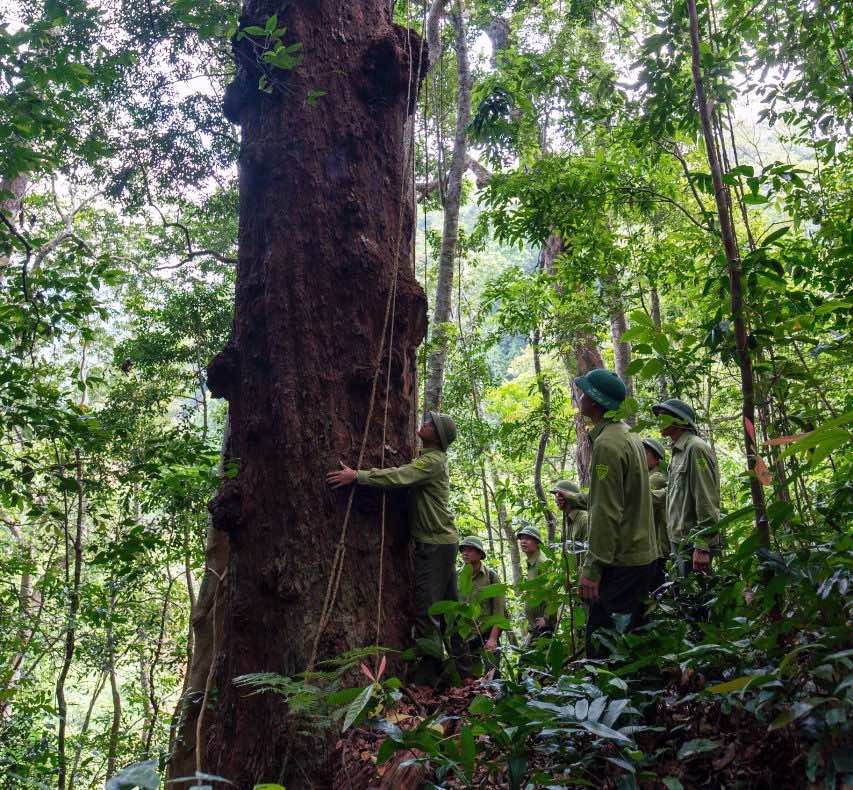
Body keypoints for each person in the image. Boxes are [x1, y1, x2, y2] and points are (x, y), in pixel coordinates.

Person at [327, 411, 458, 683]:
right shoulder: (428, 459)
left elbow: (399, 477)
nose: (424, 424)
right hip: (440, 542)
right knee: (448, 608)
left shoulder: (432, 462)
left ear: (438, 435)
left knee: (428, 611)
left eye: (430, 424)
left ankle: (428, 678)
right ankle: (463, 672)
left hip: (435, 545)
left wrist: (358, 476)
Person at [574, 368, 658, 658]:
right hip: (640, 556)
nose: (580, 397)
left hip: (621, 562)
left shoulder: (608, 445)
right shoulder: (628, 435)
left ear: (595, 403)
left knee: (602, 648)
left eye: (584, 393)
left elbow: (606, 512)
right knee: (634, 643)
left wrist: (593, 569)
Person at [651, 398, 721, 576]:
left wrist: (702, 544)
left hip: (693, 542)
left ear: (679, 420)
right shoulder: (678, 451)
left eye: (664, 416)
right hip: (679, 540)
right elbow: (674, 491)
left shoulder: (695, 448)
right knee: (684, 597)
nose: (659, 421)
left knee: (699, 598)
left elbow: (706, 497)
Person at [457, 536, 506, 678]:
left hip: (487, 633)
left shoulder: (491, 576)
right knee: (469, 678)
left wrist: (493, 638)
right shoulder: (457, 576)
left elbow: (499, 610)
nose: (465, 553)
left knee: (492, 676)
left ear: (480, 554)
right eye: (463, 550)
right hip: (466, 636)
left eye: (470, 550)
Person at [516, 523, 556, 640]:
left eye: (528, 539)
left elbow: (552, 592)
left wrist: (547, 618)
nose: (523, 542)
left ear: (537, 542)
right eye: (522, 539)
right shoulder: (532, 562)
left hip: (544, 626)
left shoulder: (542, 562)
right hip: (535, 625)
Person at [642, 437, 669, 590]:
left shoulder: (656, 477)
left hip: (659, 548)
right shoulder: (649, 476)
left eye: (646, 453)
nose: (642, 456)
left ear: (657, 458)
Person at [550, 479, 589, 557]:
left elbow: (589, 552)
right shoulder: (568, 519)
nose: (556, 499)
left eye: (559, 495)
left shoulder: (584, 519)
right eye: (555, 496)